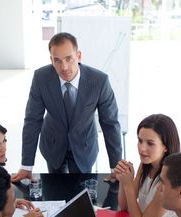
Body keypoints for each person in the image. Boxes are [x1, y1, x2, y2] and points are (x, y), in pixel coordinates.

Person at [12, 32, 122, 180]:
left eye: (69, 59)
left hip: (84, 146)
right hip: (53, 144)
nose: (64, 67)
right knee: (55, 191)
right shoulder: (41, 78)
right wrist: (26, 166)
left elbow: (110, 124)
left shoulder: (99, 81)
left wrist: (115, 167)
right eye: (57, 60)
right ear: (51, 60)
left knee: (82, 193)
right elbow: (32, 121)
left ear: (79, 56)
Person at [114, 114, 180, 217]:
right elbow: (124, 206)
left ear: (165, 146)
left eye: (150, 143)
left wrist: (128, 185)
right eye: (140, 141)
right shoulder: (146, 164)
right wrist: (123, 179)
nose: (142, 148)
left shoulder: (169, 179)